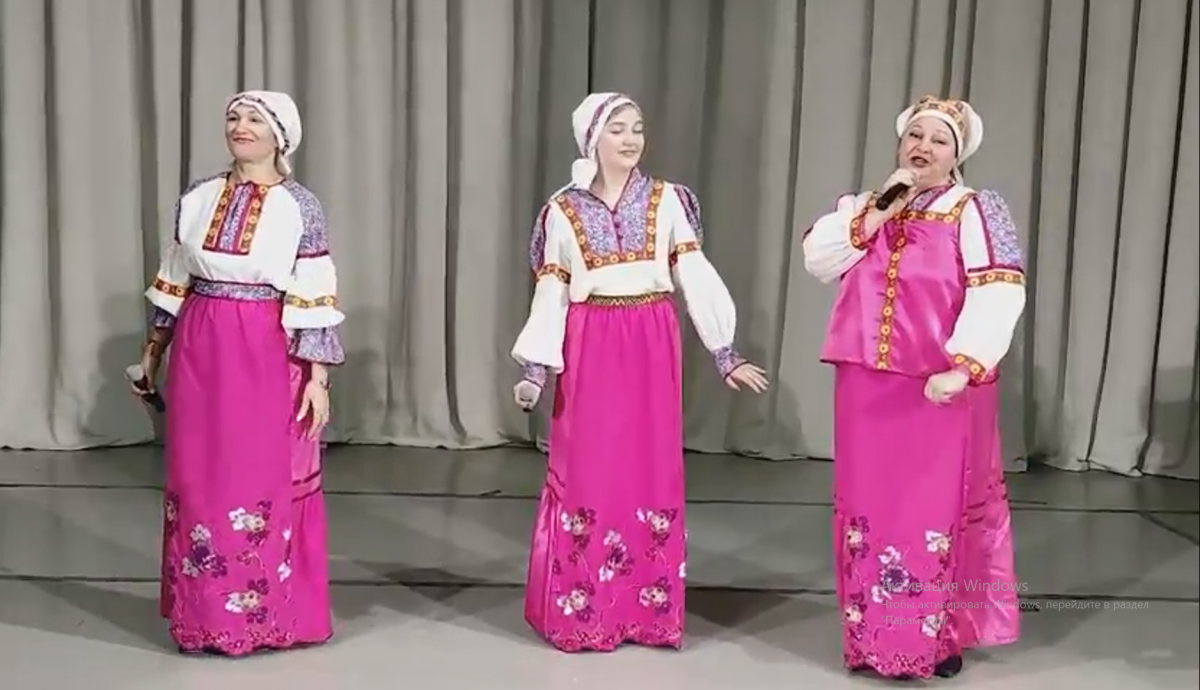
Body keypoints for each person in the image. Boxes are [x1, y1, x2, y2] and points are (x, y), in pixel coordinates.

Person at [511, 92, 769, 652]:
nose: (630, 139)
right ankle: (586, 611)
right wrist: (535, 367)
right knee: (589, 467)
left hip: (650, 337)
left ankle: (645, 612)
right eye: (617, 129)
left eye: (637, 128)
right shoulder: (563, 211)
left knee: (648, 467)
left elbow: (695, 274)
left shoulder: (668, 200)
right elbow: (552, 291)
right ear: (591, 140)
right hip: (591, 339)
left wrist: (724, 350)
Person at [801, 94, 1025, 680]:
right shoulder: (865, 206)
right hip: (865, 385)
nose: (923, 148)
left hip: (936, 386)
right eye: (915, 136)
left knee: (929, 511)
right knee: (867, 509)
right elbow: (819, 260)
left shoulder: (975, 210)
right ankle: (871, 638)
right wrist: (878, 211)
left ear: (958, 155)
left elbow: (1000, 289)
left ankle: (936, 637)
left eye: (939, 140)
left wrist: (964, 365)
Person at [136, 90, 344, 656]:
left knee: (253, 473)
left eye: (254, 119)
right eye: (233, 117)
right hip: (200, 341)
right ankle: (201, 616)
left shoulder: (300, 206)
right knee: (197, 474)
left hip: (265, 346)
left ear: (281, 135)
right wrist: (154, 348)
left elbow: (313, 293)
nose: (240, 126)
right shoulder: (198, 196)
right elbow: (175, 275)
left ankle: (261, 616)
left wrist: (318, 378)